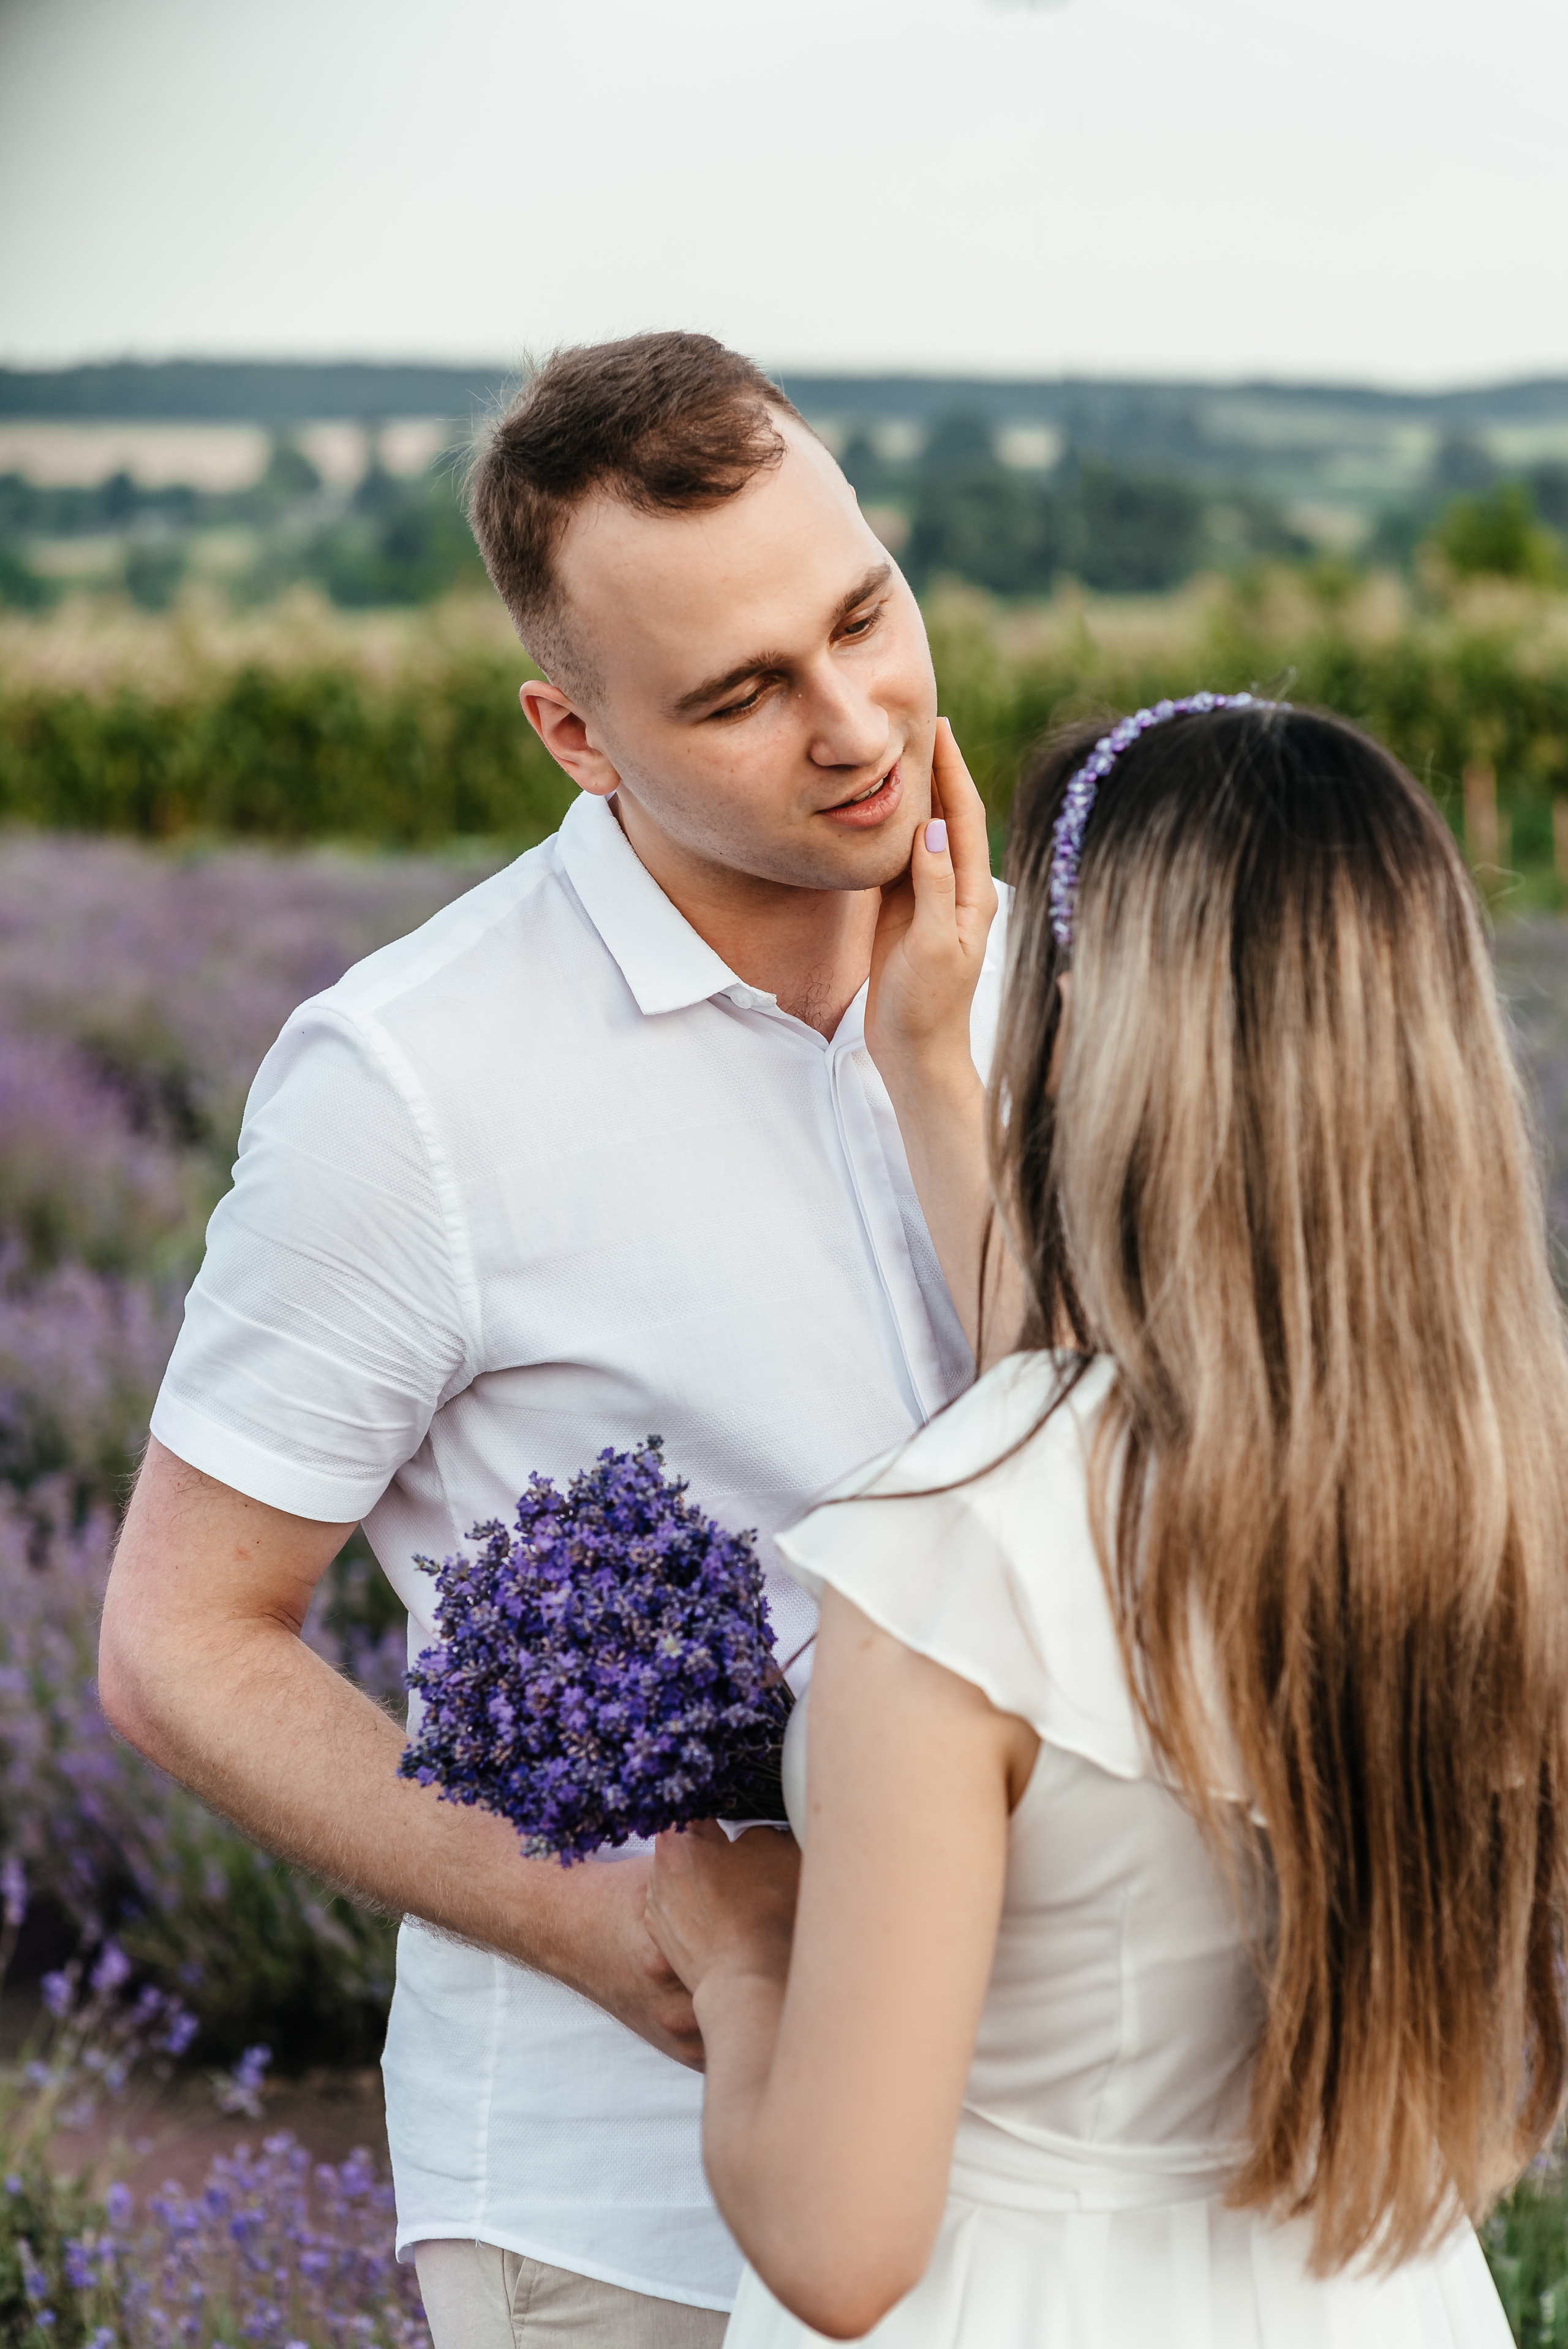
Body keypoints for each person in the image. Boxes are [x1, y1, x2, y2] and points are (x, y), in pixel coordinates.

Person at [97, 331, 1009, 2349]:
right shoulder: (412, 1082)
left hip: (1054, 2182)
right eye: (742, 692)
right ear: (575, 733)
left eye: (863, 612)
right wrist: (608, 1919)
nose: (856, 720)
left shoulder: (1062, 987)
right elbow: (181, 1643)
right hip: (632, 2211)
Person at [645, 697, 1568, 2347]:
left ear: (1088, 1043)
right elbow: (1129, 1442)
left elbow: (843, 2246)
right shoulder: (1499, 1487)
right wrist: (930, 1067)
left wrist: (736, 1957)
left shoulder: (960, 1554)